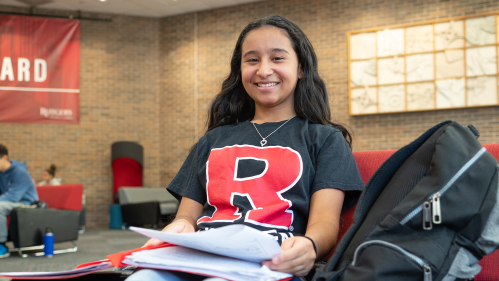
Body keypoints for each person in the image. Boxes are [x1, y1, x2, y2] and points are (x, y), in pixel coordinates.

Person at [126, 15, 364, 280]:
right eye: (252, 60)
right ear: (240, 71)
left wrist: (309, 246)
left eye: (277, 58)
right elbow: (186, 218)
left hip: (270, 265)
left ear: (301, 68)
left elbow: (324, 224)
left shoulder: (326, 140)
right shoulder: (212, 140)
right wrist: (177, 228)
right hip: (201, 259)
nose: (263, 70)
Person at [0, 144, 39, 258]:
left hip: (27, 204)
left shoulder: (20, 172)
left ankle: (2, 246)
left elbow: (14, 196)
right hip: (11, 203)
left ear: (5, 157)